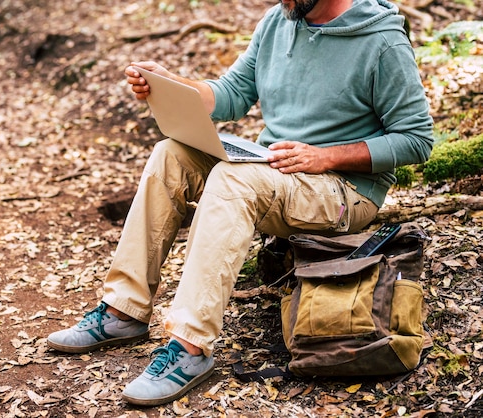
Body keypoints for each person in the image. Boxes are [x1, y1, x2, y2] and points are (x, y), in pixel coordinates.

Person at [47, 0, 434, 406]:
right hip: (274, 170)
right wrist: (173, 84)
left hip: (342, 191)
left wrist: (326, 156)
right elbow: (232, 94)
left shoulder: (382, 41)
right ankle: (123, 311)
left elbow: (416, 139)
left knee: (233, 180)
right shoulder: (279, 20)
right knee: (170, 154)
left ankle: (189, 348)